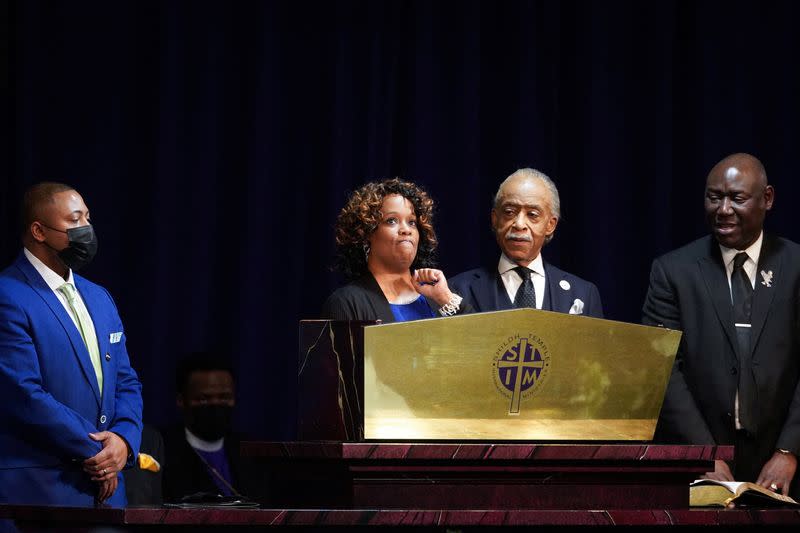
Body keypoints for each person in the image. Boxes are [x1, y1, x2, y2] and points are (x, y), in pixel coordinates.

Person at [642, 153, 800, 498]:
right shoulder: (673, 272)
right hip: (701, 465)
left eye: (737, 198)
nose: (723, 209)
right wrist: (703, 451)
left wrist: (790, 451)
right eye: (714, 197)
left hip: (787, 465)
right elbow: (663, 370)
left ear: (767, 199)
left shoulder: (796, 266)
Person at [0, 182, 143, 507]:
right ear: (39, 230)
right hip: (41, 494)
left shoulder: (99, 297)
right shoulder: (8, 295)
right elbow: (23, 394)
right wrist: (101, 453)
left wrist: (123, 441)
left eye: (88, 220)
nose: (86, 230)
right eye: (75, 221)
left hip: (108, 496)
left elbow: (126, 382)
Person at [449, 168, 603, 317]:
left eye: (532, 214)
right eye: (509, 212)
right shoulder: (457, 290)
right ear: (495, 219)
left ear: (550, 224)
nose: (519, 224)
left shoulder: (584, 293)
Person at [322, 178, 470, 322]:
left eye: (412, 222)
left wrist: (445, 298)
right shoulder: (345, 303)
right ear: (366, 233)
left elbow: (485, 343)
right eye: (391, 220)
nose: (406, 230)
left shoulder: (440, 295)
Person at [162, 353, 256, 502]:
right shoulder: (162, 451)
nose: (215, 405)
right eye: (203, 399)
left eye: (224, 397)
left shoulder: (250, 453)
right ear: (181, 400)